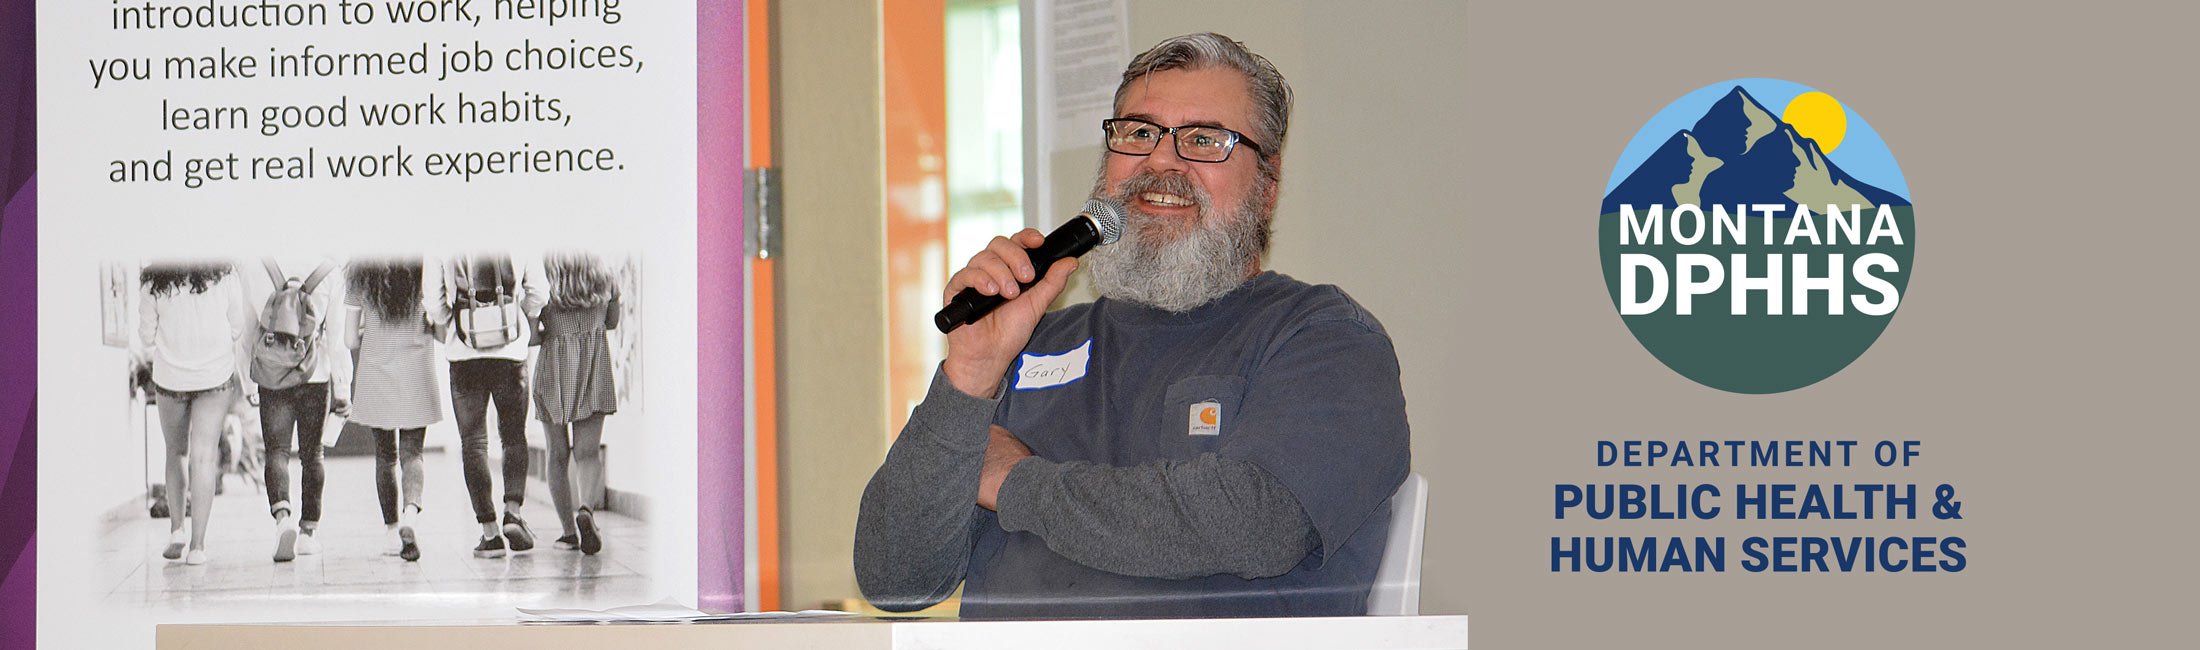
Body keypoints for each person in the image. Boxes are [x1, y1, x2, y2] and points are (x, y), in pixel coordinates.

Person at [855, 33, 1410, 618]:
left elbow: (1254, 524)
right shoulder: (1030, 344)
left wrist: (1015, 481)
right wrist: (969, 376)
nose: (1162, 161)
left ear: (1267, 189)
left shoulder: (1323, 338)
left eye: (1204, 140)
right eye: (1139, 133)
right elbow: (897, 580)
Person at [427, 253, 548, 558]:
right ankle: (513, 511)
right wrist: (512, 313)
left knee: (474, 443)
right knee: (513, 435)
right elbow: (540, 294)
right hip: (510, 348)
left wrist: (454, 319)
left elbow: (434, 304)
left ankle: (490, 534)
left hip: (464, 350)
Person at [138, 260, 252, 566]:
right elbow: (238, 327)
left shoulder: (153, 280)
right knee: (203, 456)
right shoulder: (226, 275)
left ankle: (177, 529)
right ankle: (198, 547)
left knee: (176, 452)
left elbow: (146, 336)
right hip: (214, 377)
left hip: (170, 378)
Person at [244, 257, 352, 563]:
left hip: (271, 372)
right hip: (314, 373)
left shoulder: (256, 264)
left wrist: (248, 381)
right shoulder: (329, 270)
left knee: (276, 451)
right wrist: (343, 388)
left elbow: (246, 330)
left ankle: (282, 518)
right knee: (312, 454)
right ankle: (307, 534)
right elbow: (338, 341)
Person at [345, 256, 441, 562]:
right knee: (413, 453)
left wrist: (371, 334)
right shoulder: (422, 266)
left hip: (377, 368)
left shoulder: (360, 270)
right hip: (416, 366)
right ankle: (411, 515)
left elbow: (349, 339)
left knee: (385, 456)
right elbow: (440, 329)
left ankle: (391, 532)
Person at [534, 251, 621, 555]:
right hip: (594, 367)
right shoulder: (606, 275)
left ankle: (569, 533)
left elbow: (532, 337)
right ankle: (586, 510)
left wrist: (555, 328)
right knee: (588, 453)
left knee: (557, 454)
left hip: (554, 369)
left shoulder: (542, 276)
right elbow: (611, 322)